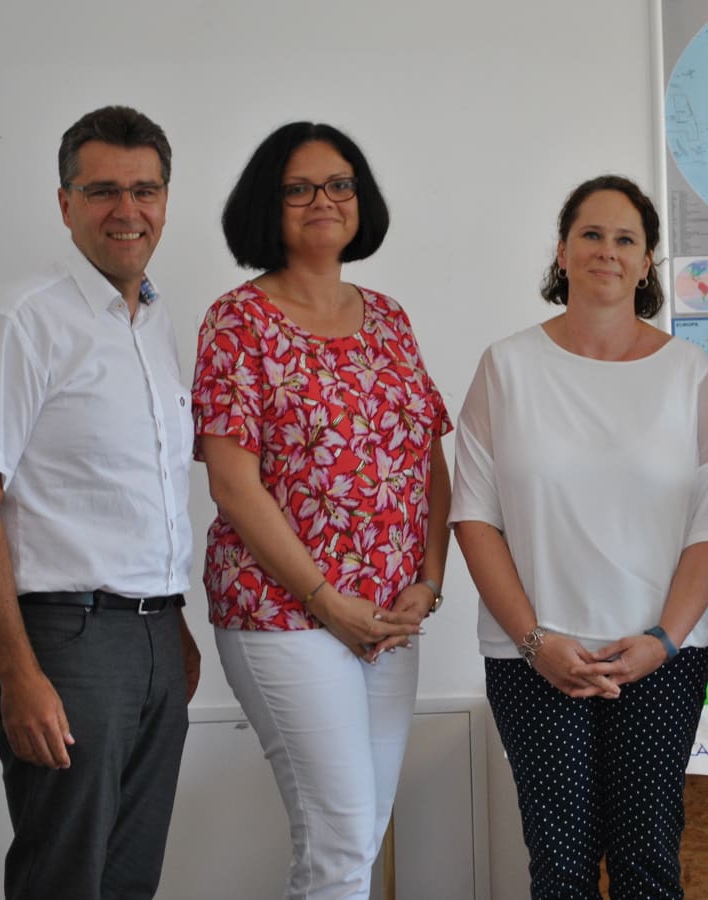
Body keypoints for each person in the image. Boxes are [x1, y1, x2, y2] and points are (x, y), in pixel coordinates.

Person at [450, 175, 708, 899]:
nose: (606, 251)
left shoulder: (689, 374)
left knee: (648, 866)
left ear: (646, 264)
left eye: (625, 240)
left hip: (660, 658)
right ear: (562, 251)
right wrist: (535, 641)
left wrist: (664, 641)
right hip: (533, 657)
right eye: (590, 234)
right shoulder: (507, 367)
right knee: (561, 872)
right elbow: (475, 517)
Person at [0, 105, 200, 900]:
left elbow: (135, 495)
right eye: (102, 191)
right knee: (64, 881)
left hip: (155, 636)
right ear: (65, 204)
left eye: (145, 190)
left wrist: (172, 627)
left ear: (165, 200)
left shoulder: (153, 322)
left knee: (128, 882)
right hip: (65, 641)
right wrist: (18, 674)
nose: (128, 210)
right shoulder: (19, 319)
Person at [191, 121, 451, 899]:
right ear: (266, 206)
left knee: (358, 837)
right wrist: (325, 600)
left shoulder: (390, 318)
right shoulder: (237, 321)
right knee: (340, 841)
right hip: (284, 611)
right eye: (298, 188)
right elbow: (232, 484)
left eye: (339, 184)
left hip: (390, 616)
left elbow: (429, 462)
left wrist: (429, 582)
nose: (322, 201)